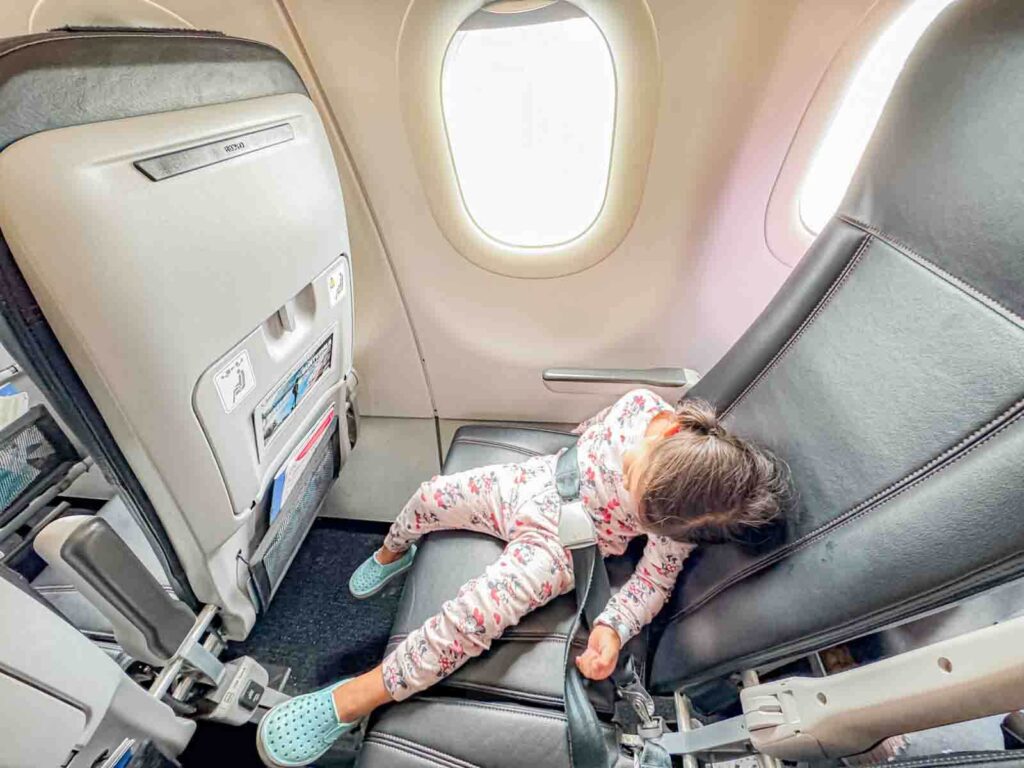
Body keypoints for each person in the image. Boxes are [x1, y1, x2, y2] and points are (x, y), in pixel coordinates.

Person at [256, 389, 788, 768]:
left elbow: (651, 586)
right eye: (633, 476)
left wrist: (611, 628)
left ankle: (357, 696)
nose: (628, 483)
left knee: (470, 618)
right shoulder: (642, 406)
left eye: (642, 510)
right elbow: (592, 432)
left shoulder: (679, 528)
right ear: (671, 431)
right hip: (530, 482)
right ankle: (393, 550)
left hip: (558, 545)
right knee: (429, 495)